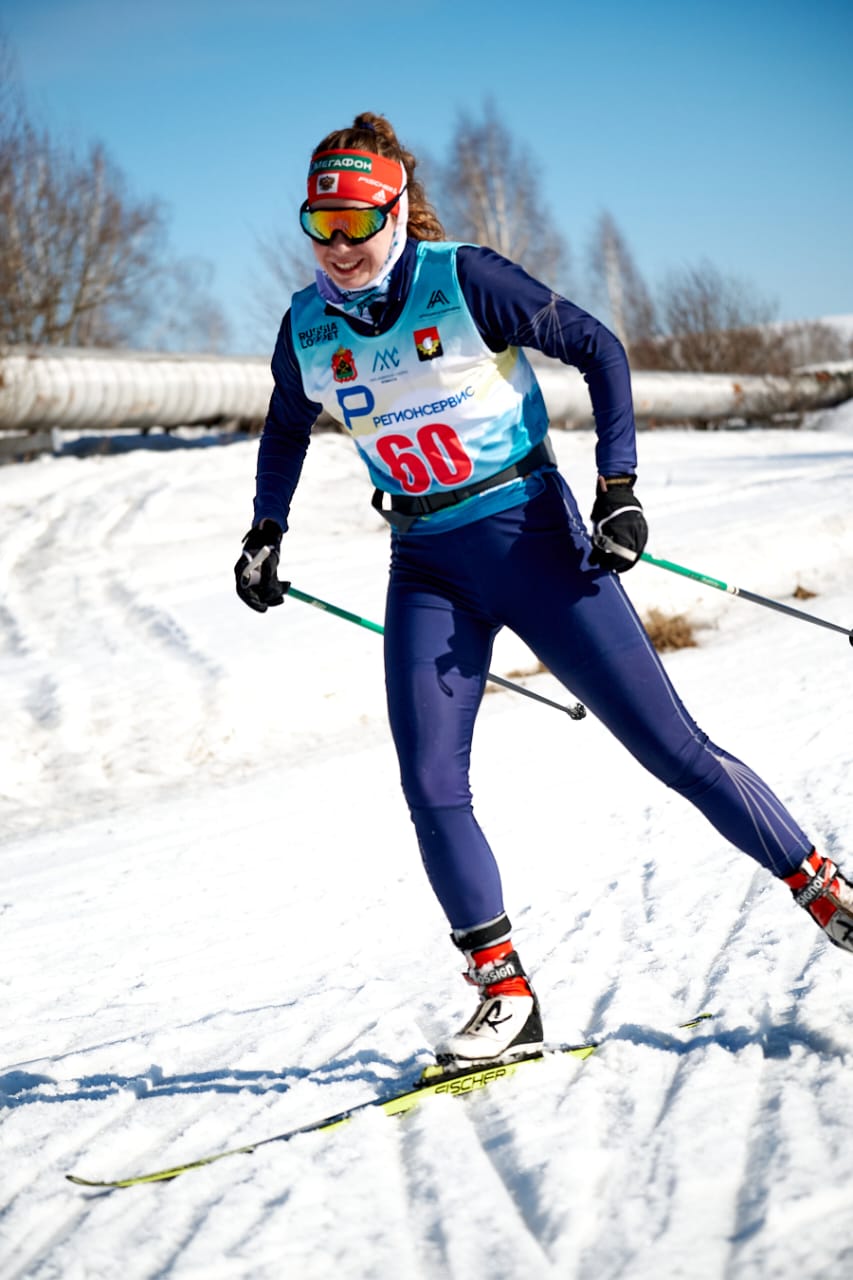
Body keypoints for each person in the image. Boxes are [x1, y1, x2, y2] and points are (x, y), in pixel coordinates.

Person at [235, 112, 853, 1067]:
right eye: (321, 227)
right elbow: (284, 426)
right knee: (431, 784)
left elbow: (599, 349)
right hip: (426, 566)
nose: (340, 247)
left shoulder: (463, 280)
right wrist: (266, 528)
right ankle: (504, 995)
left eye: (357, 224)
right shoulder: (305, 326)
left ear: (394, 213)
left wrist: (616, 490)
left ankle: (821, 888)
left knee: (670, 750)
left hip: (532, 538)